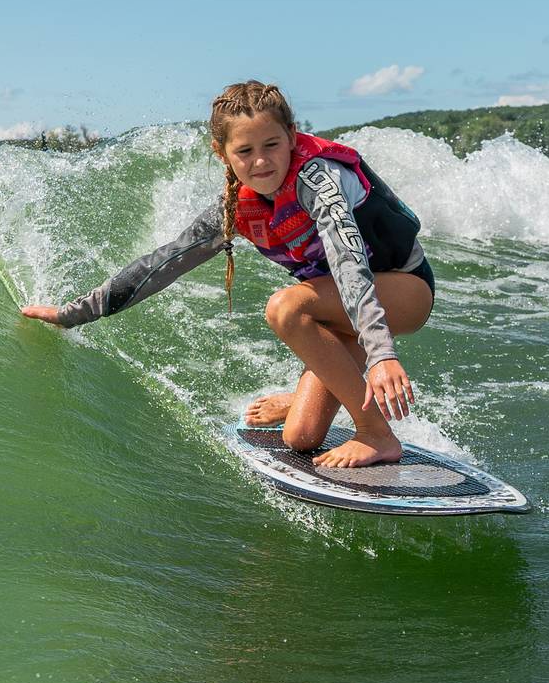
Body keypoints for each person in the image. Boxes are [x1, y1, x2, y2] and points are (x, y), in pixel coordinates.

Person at [21, 80, 433, 468]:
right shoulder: (236, 207)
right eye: (245, 151)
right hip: (339, 307)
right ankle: (302, 400)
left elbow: (349, 262)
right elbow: (162, 265)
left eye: (272, 144)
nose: (260, 160)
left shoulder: (319, 181)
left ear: (292, 135)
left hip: (401, 290)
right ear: (222, 153)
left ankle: (377, 436)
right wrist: (73, 313)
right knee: (300, 438)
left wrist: (381, 355)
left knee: (286, 308)